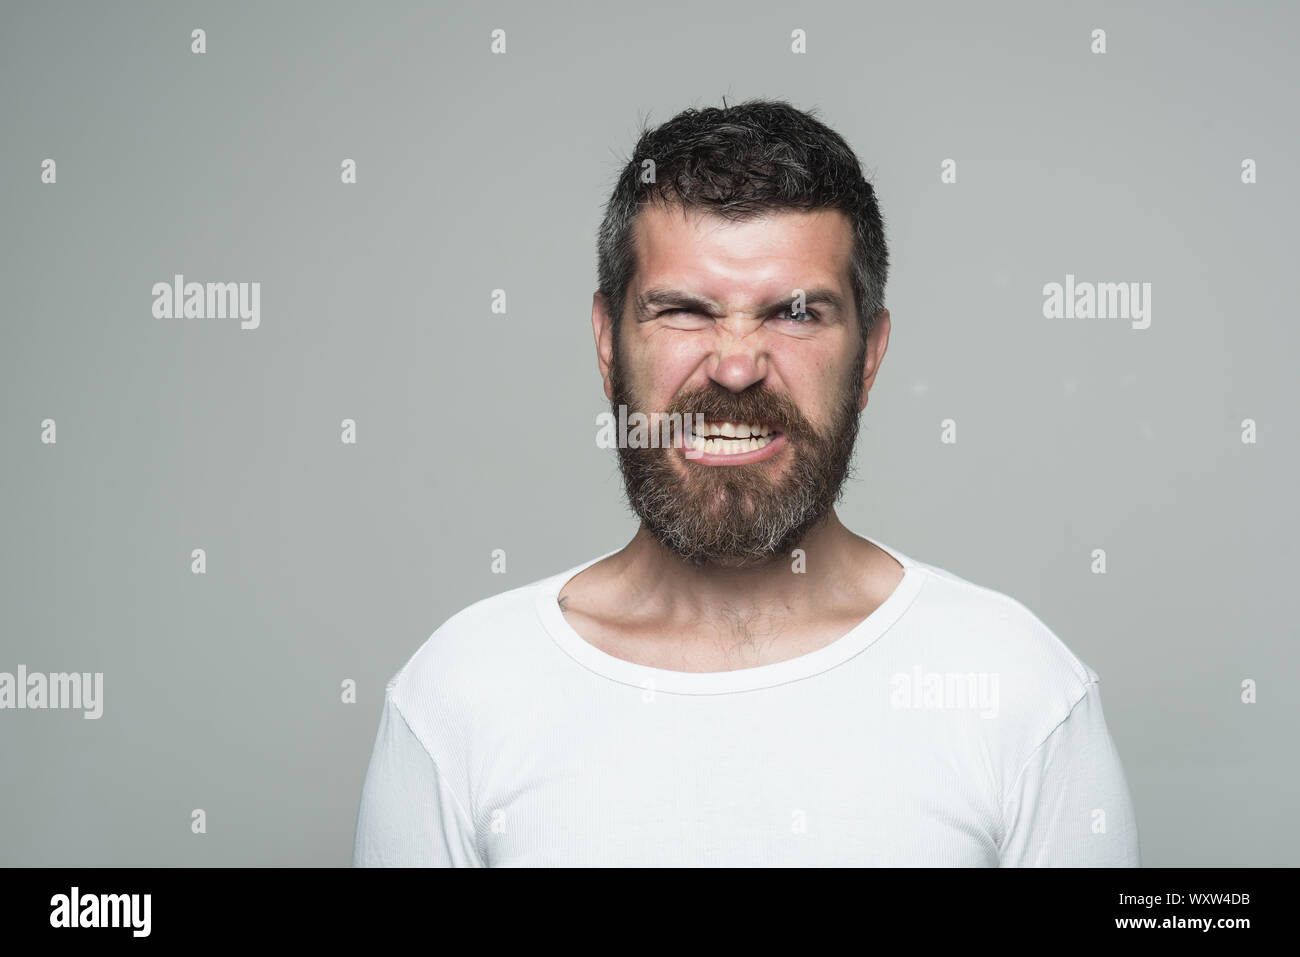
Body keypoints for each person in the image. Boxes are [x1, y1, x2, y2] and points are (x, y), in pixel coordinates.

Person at [352, 99, 1140, 867]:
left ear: (868, 355)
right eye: (685, 310)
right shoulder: (459, 696)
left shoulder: (1018, 691)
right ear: (606, 342)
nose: (736, 365)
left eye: (795, 314)